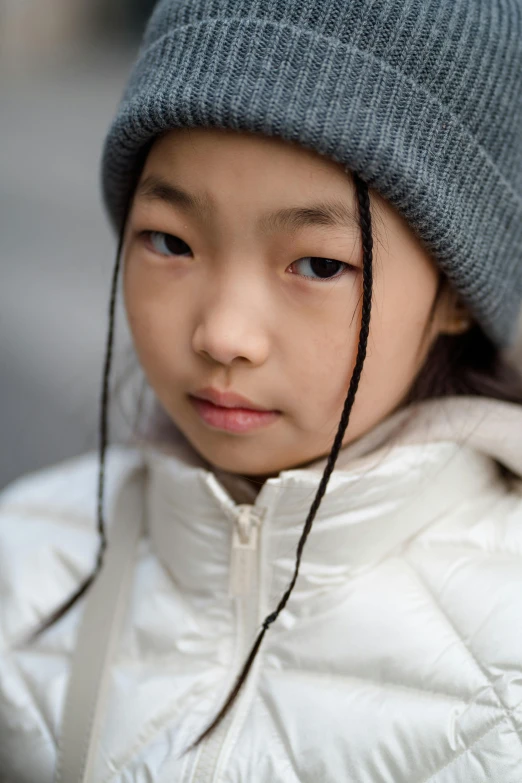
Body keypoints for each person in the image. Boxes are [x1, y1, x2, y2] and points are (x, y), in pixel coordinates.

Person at [1, 0, 522, 780]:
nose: (224, 334)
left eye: (316, 264)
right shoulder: (24, 567)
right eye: (170, 242)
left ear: (456, 292)